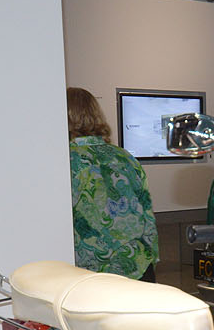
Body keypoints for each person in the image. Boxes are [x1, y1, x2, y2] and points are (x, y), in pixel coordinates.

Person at [65, 86, 158, 281]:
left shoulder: (67, 162)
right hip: (139, 268)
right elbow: (147, 213)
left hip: (93, 276)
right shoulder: (126, 157)